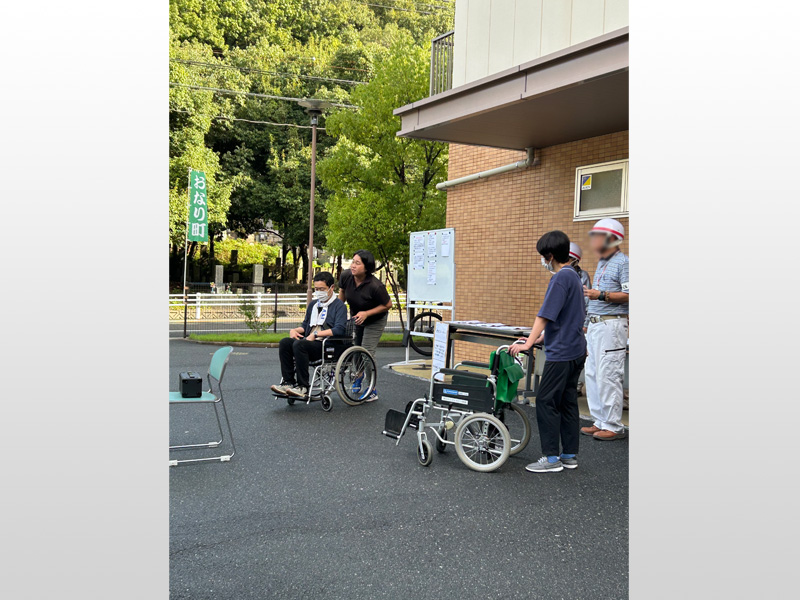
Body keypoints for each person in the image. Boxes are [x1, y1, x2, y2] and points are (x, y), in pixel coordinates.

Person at [509, 231, 587, 473]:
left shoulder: (560, 279)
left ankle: (551, 458)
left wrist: (529, 343)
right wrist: (540, 337)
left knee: (545, 401)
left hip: (561, 353)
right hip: (576, 349)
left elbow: (545, 314)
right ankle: (569, 455)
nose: (543, 261)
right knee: (567, 402)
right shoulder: (575, 276)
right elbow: (566, 317)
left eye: (543, 257)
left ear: (550, 255)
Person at [581, 218, 629, 441]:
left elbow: (629, 295)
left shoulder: (624, 263)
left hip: (612, 324)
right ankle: (600, 420)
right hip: (596, 324)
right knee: (593, 373)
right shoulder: (602, 262)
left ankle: (614, 425)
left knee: (608, 374)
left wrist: (600, 295)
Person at [271, 272, 348, 398]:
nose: (318, 292)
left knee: (300, 345)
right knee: (285, 342)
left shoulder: (339, 306)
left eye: (322, 289)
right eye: (316, 289)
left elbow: (339, 329)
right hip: (310, 342)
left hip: (327, 344)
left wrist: (316, 334)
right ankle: (288, 383)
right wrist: (295, 330)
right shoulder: (313, 305)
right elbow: (306, 325)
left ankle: (303, 387)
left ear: (331, 288)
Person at [338, 250, 392, 402]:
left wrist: (367, 313)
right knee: (355, 350)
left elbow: (387, 305)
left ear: (367, 267)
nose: (353, 266)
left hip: (375, 319)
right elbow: (341, 294)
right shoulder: (346, 276)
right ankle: (358, 377)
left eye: (357, 263)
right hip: (357, 317)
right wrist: (337, 314)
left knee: (367, 353)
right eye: (352, 261)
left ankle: (372, 389)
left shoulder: (375, 286)